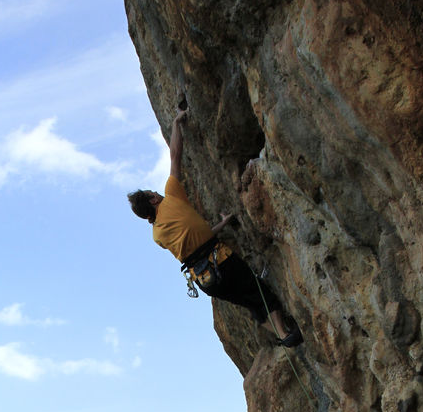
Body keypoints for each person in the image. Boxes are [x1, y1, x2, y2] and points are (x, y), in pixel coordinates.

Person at [128, 110, 302, 347]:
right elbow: (175, 156)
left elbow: (197, 240)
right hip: (222, 261)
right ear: (153, 201)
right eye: (152, 193)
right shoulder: (171, 197)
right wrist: (177, 123)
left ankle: (282, 335)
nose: (156, 192)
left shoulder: (157, 235)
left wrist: (223, 222)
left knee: (249, 303)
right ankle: (284, 334)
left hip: (206, 278)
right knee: (258, 291)